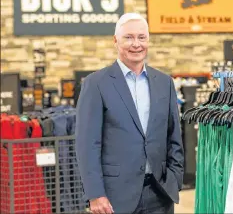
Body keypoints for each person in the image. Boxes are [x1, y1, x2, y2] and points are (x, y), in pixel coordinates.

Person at [75, 13, 184, 214]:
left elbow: (174, 136)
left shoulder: (164, 82)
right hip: (114, 197)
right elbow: (87, 144)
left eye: (141, 37)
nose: (136, 44)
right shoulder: (96, 83)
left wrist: (174, 178)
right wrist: (95, 194)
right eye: (129, 37)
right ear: (115, 41)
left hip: (160, 194)